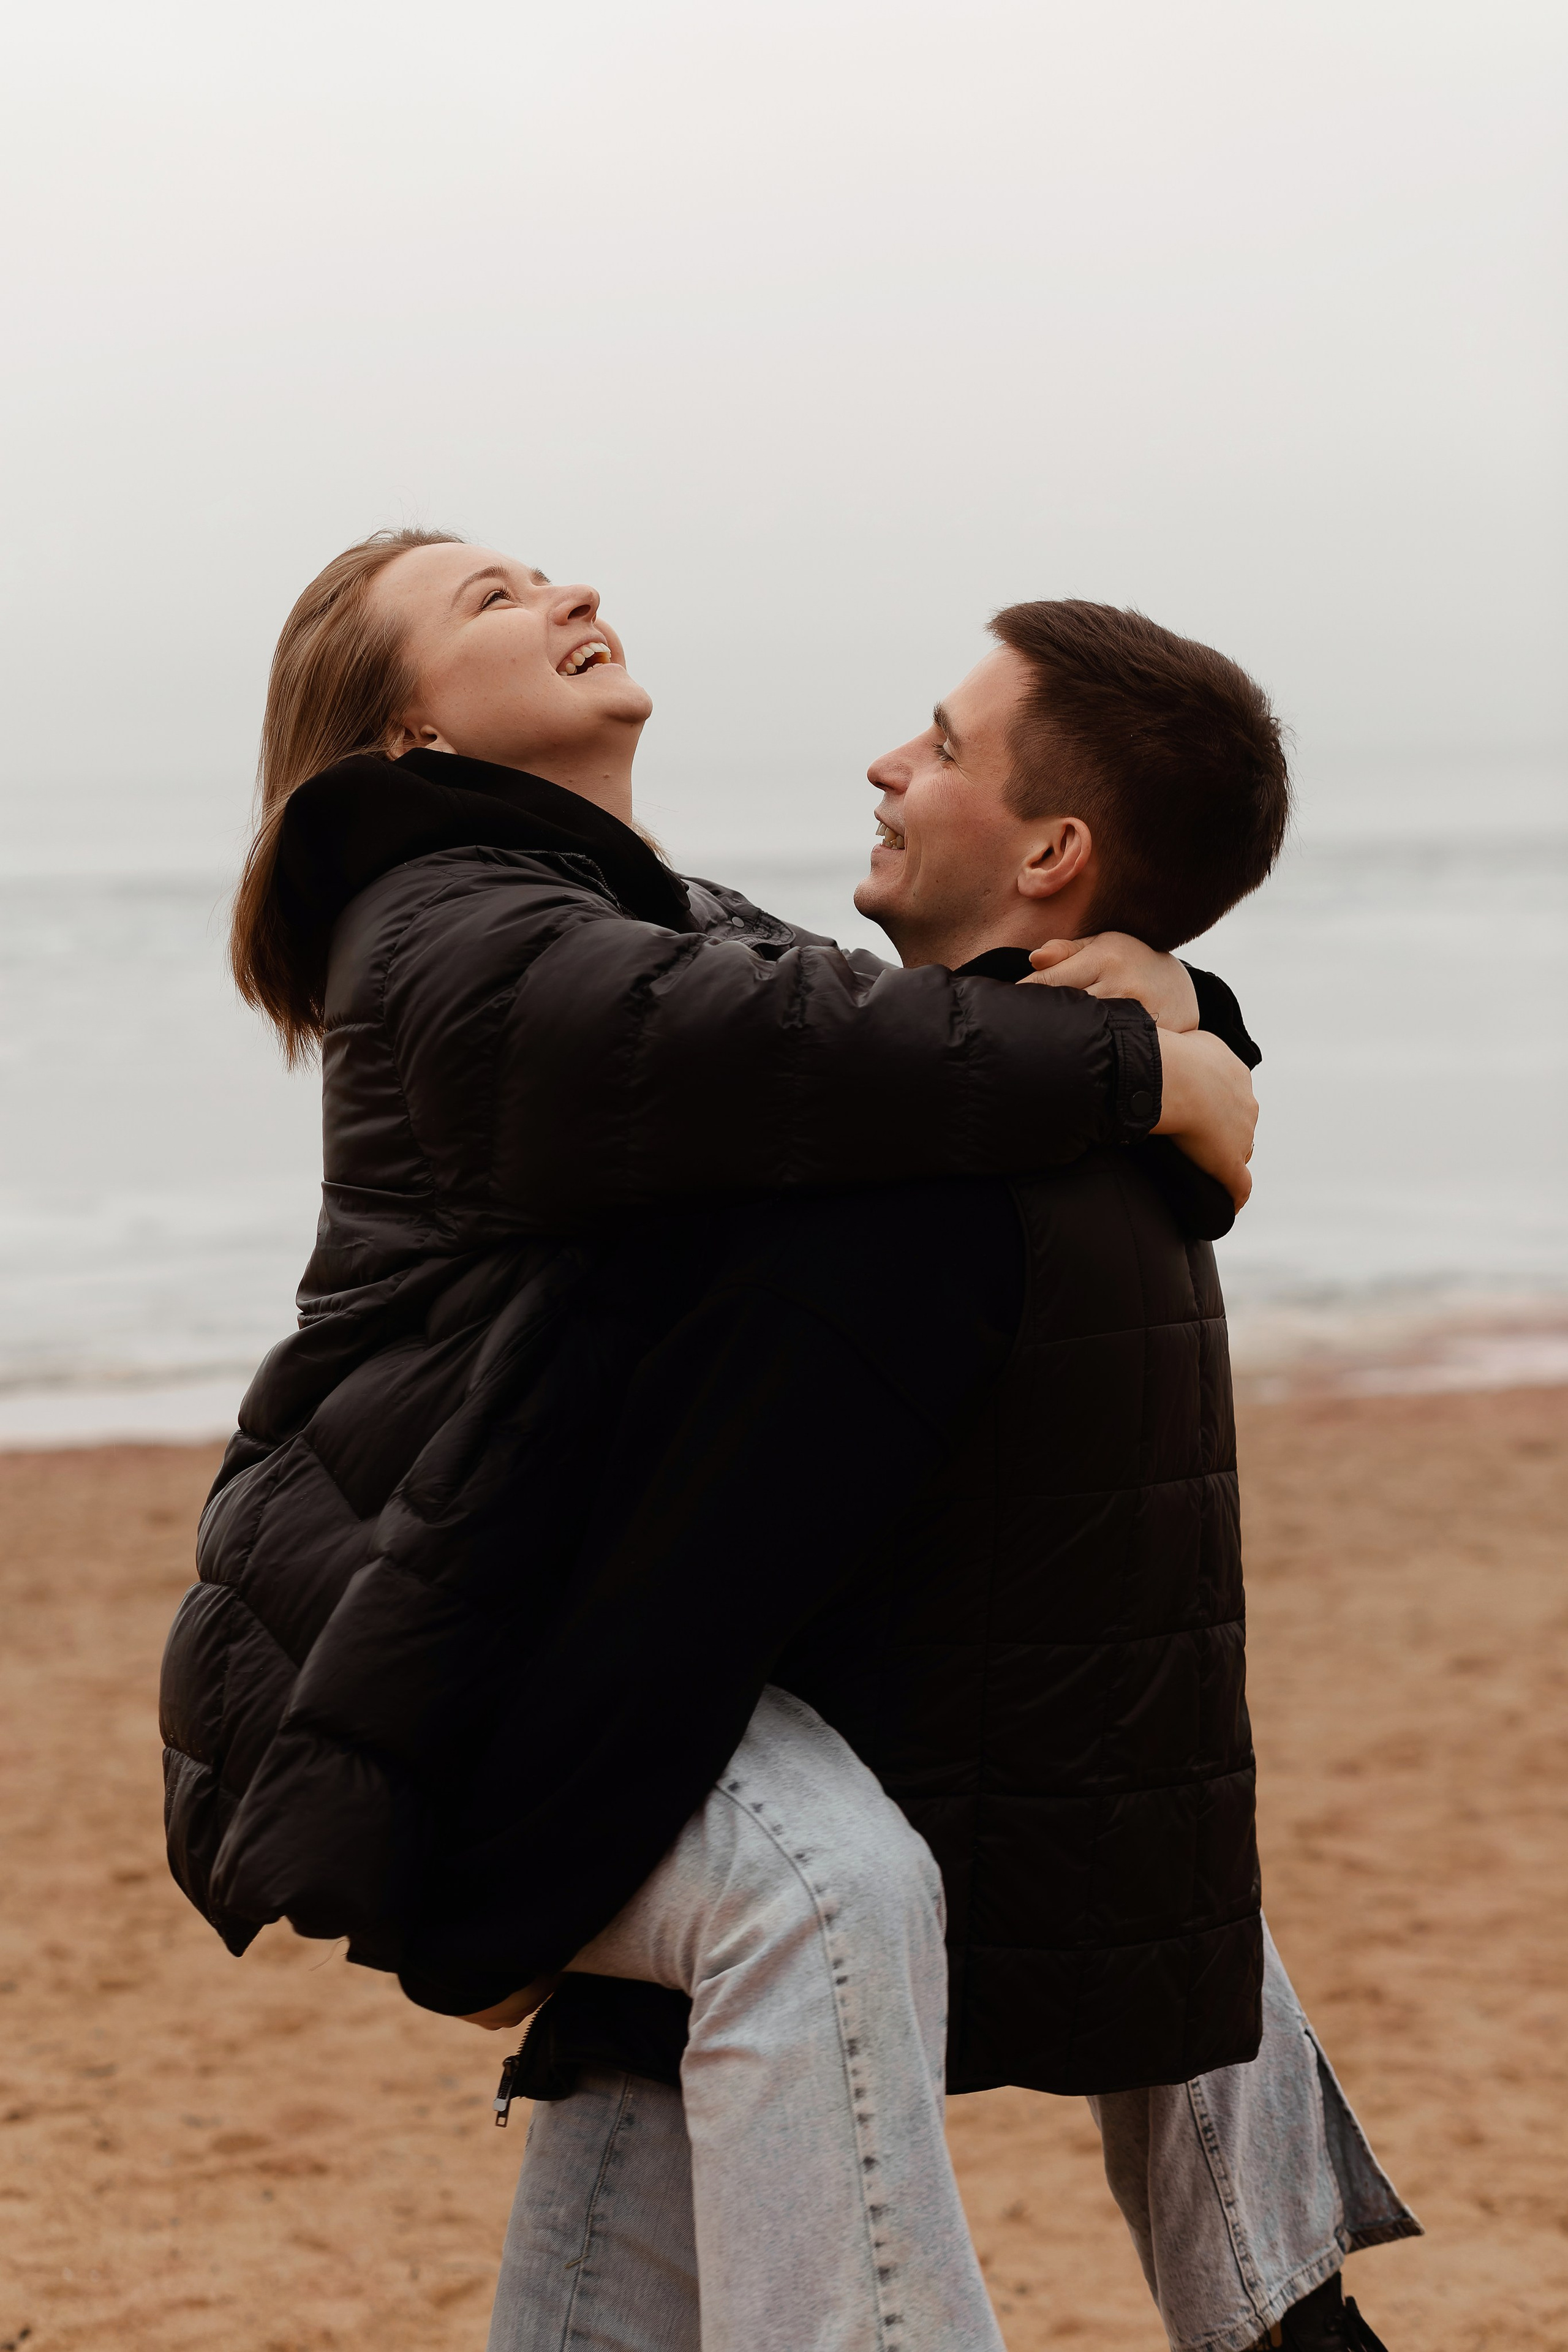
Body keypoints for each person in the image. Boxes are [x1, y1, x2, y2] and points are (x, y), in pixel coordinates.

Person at [153, 536, 1399, 2352]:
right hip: (420, 1644)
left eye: (544, 569)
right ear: (411, 731)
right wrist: (1155, 1076)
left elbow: (918, 1035)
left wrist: (1179, 1009)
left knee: (1094, 1801)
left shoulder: (657, 916)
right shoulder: (445, 930)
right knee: (831, 1893)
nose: (562, 588)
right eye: (491, 601)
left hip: (594, 1590)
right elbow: (793, 1043)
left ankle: (1288, 2321)